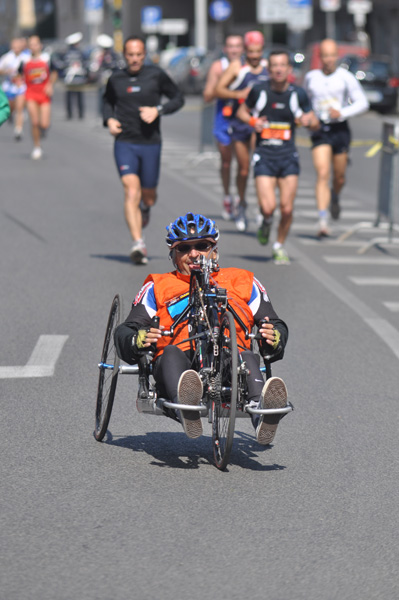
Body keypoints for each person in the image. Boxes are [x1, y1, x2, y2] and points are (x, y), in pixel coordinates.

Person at [114, 212, 289, 444]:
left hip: (231, 361)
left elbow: (275, 323)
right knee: (170, 353)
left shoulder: (243, 281)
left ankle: (262, 412)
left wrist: (274, 337)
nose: (193, 253)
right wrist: (137, 339)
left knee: (245, 355)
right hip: (177, 361)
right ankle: (186, 407)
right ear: (173, 256)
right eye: (184, 248)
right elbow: (125, 331)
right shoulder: (158, 285)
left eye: (201, 246)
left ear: (214, 250)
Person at [103, 36, 185, 265]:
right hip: (124, 142)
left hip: (150, 143)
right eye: (130, 54)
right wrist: (109, 119)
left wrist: (158, 110)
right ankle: (138, 243)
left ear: (144, 55)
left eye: (139, 54)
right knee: (131, 190)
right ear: (124, 55)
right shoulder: (116, 78)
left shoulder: (156, 75)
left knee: (148, 195)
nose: (135, 58)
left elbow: (178, 98)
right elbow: (107, 101)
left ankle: (146, 208)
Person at [237, 49, 319, 264]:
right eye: (274, 65)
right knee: (268, 207)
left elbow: (312, 119)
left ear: (289, 69)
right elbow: (241, 113)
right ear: (269, 69)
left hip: (287, 156)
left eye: (283, 65)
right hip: (264, 155)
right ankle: (265, 221)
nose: (279, 69)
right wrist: (254, 122)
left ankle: (279, 245)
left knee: (287, 207)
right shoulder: (259, 91)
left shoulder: (297, 94)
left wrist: (308, 121)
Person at [304, 38, 369, 236]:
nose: (328, 59)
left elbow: (363, 103)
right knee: (323, 173)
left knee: (339, 177)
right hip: (319, 130)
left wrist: (342, 112)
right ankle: (323, 221)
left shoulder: (345, 77)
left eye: (332, 55)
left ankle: (335, 196)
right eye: (325, 55)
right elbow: (304, 101)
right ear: (320, 56)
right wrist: (308, 117)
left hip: (339, 128)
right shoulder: (311, 77)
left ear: (337, 56)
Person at [214, 30, 269, 232]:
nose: (254, 55)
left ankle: (263, 208)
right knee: (244, 169)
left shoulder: (267, 67)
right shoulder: (238, 67)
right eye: (251, 51)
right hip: (239, 123)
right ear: (246, 50)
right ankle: (242, 203)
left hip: (260, 125)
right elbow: (218, 89)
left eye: (258, 51)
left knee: (260, 167)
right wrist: (238, 94)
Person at [202, 34, 244, 221]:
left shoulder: (247, 66)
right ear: (225, 49)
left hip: (243, 120)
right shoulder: (218, 67)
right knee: (226, 161)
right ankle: (227, 195)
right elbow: (207, 96)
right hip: (224, 118)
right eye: (230, 46)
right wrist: (224, 85)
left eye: (237, 46)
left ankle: (241, 198)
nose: (234, 50)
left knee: (244, 165)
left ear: (242, 48)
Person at [19, 35, 58, 160]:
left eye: (36, 44)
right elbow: (18, 74)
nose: (34, 47)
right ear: (28, 46)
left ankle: (43, 130)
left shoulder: (47, 58)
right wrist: (19, 82)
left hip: (44, 94)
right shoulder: (24, 60)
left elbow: (55, 73)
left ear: (40, 45)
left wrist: (50, 85)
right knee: (34, 122)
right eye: (31, 44)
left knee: (44, 124)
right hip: (30, 94)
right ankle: (37, 147)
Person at [0, 37, 29, 140]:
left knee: (20, 108)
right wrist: (7, 71)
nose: (16, 49)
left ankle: (18, 130)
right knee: (11, 108)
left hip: (21, 86)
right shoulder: (6, 58)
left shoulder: (26, 58)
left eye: (18, 47)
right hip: (9, 87)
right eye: (14, 47)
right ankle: (10, 115)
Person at [94, 34, 124, 116]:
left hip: (111, 78)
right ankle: (101, 112)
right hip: (102, 79)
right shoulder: (99, 55)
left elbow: (118, 65)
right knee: (101, 96)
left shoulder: (113, 55)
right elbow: (96, 66)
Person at [62, 32, 88, 120]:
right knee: (79, 96)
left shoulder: (66, 52)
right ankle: (80, 113)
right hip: (78, 78)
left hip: (69, 78)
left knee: (69, 96)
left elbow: (63, 64)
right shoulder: (80, 52)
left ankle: (69, 113)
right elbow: (85, 64)